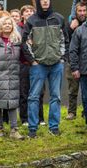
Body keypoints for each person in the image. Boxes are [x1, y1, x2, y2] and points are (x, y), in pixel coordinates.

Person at [22, 0, 67, 138]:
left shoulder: (59, 18)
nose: (45, 1)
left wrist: (62, 57)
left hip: (56, 64)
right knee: (33, 97)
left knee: (56, 97)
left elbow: (65, 39)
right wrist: (32, 61)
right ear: (38, 2)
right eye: (42, 0)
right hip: (38, 65)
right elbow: (24, 42)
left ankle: (54, 127)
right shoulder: (31, 20)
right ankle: (33, 129)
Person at [0, 16, 25, 140]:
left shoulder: (18, 41)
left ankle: (14, 130)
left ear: (13, 26)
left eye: (9, 23)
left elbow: (23, 58)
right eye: (5, 23)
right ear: (0, 26)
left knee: (13, 103)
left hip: (13, 76)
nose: (7, 25)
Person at [65, 1, 87, 120]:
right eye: (80, 11)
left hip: (85, 60)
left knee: (86, 90)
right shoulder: (72, 23)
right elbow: (65, 39)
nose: (82, 13)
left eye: (84, 11)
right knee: (72, 88)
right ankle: (72, 111)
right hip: (72, 59)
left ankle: (85, 111)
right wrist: (70, 27)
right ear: (75, 12)